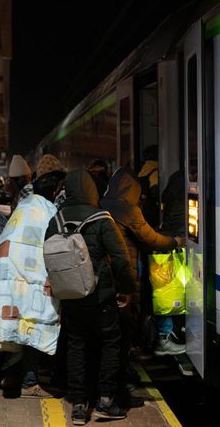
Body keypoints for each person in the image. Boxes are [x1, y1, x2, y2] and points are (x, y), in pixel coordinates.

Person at [46, 171, 135, 424]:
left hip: (71, 295)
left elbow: (49, 257)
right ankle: (105, 401)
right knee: (110, 343)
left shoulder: (58, 219)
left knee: (76, 345)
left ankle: (78, 404)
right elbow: (120, 258)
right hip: (101, 296)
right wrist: (126, 288)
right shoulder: (102, 219)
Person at [100, 167, 185, 402]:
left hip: (106, 274)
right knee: (124, 331)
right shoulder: (129, 209)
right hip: (126, 272)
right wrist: (173, 241)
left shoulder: (103, 204)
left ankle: (120, 378)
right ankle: (121, 386)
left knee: (112, 333)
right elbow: (150, 238)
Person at [0, 171, 64, 399]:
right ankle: (30, 382)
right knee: (32, 324)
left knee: (14, 328)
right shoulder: (49, 211)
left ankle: (11, 376)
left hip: (8, 272)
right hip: (30, 277)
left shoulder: (23, 206)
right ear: (55, 190)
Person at [137, 146, 161, 227]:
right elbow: (155, 192)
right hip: (151, 209)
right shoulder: (155, 171)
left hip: (141, 207)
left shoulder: (143, 170)